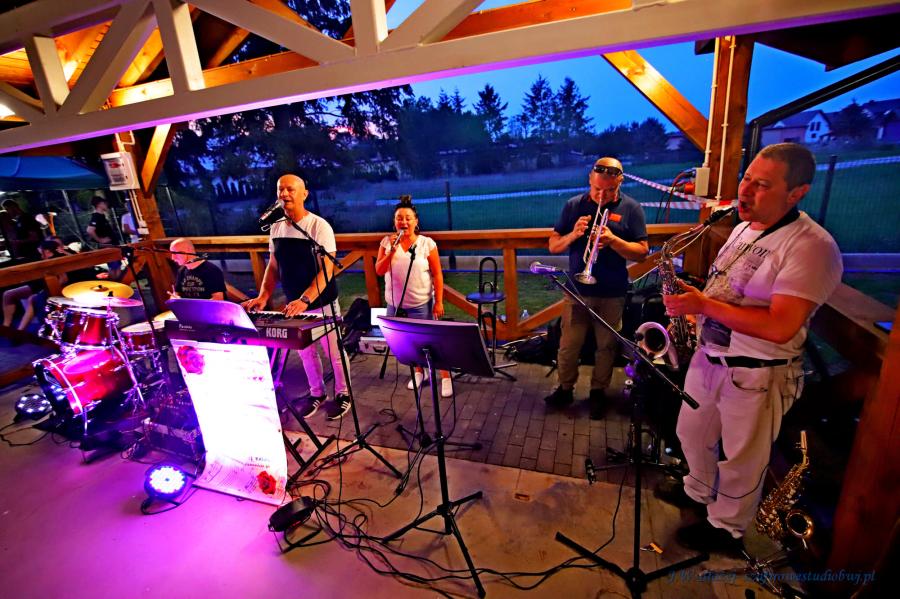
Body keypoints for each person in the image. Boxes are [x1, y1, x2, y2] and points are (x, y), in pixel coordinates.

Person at [658, 143, 843, 556]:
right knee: (691, 431)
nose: (745, 191)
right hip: (711, 357)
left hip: (757, 371)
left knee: (742, 458)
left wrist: (704, 306)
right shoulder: (745, 227)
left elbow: (780, 326)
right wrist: (694, 307)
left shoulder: (811, 246)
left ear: (796, 193)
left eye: (762, 185)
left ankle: (727, 529)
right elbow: (730, 289)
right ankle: (697, 492)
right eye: (746, 178)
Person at [545, 157, 648, 419]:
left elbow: (642, 253)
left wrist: (613, 241)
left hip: (612, 292)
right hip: (577, 291)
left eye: (609, 190)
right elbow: (553, 245)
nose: (602, 196)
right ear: (590, 179)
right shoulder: (574, 205)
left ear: (620, 182)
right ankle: (565, 389)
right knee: (569, 345)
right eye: (597, 189)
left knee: (606, 347)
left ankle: (598, 393)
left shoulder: (632, 208)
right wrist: (573, 235)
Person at [242, 174, 351, 420]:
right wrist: (263, 296)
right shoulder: (276, 227)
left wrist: (306, 299)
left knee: (334, 352)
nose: (284, 194)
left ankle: (343, 393)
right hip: (295, 305)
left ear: (304, 194)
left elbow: (327, 270)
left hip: (322, 302)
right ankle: (317, 393)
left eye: (290, 189)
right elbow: (273, 266)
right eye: (280, 189)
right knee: (305, 352)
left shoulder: (318, 226)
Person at [374, 196, 452, 398]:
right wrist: (391, 251)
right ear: (394, 222)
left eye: (408, 218)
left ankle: (445, 376)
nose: (404, 222)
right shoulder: (386, 242)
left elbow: (437, 274)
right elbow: (379, 270)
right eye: (399, 218)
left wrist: (439, 301)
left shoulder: (426, 243)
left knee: (432, 342)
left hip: (421, 304)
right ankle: (419, 372)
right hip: (395, 305)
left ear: (416, 221)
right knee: (408, 343)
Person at [86, 195, 122, 280]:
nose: (106, 205)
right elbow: (90, 230)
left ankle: (118, 282)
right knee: (114, 267)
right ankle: (116, 283)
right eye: (104, 203)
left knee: (116, 266)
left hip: (111, 245)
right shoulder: (96, 217)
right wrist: (100, 240)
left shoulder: (101, 217)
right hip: (108, 246)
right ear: (99, 204)